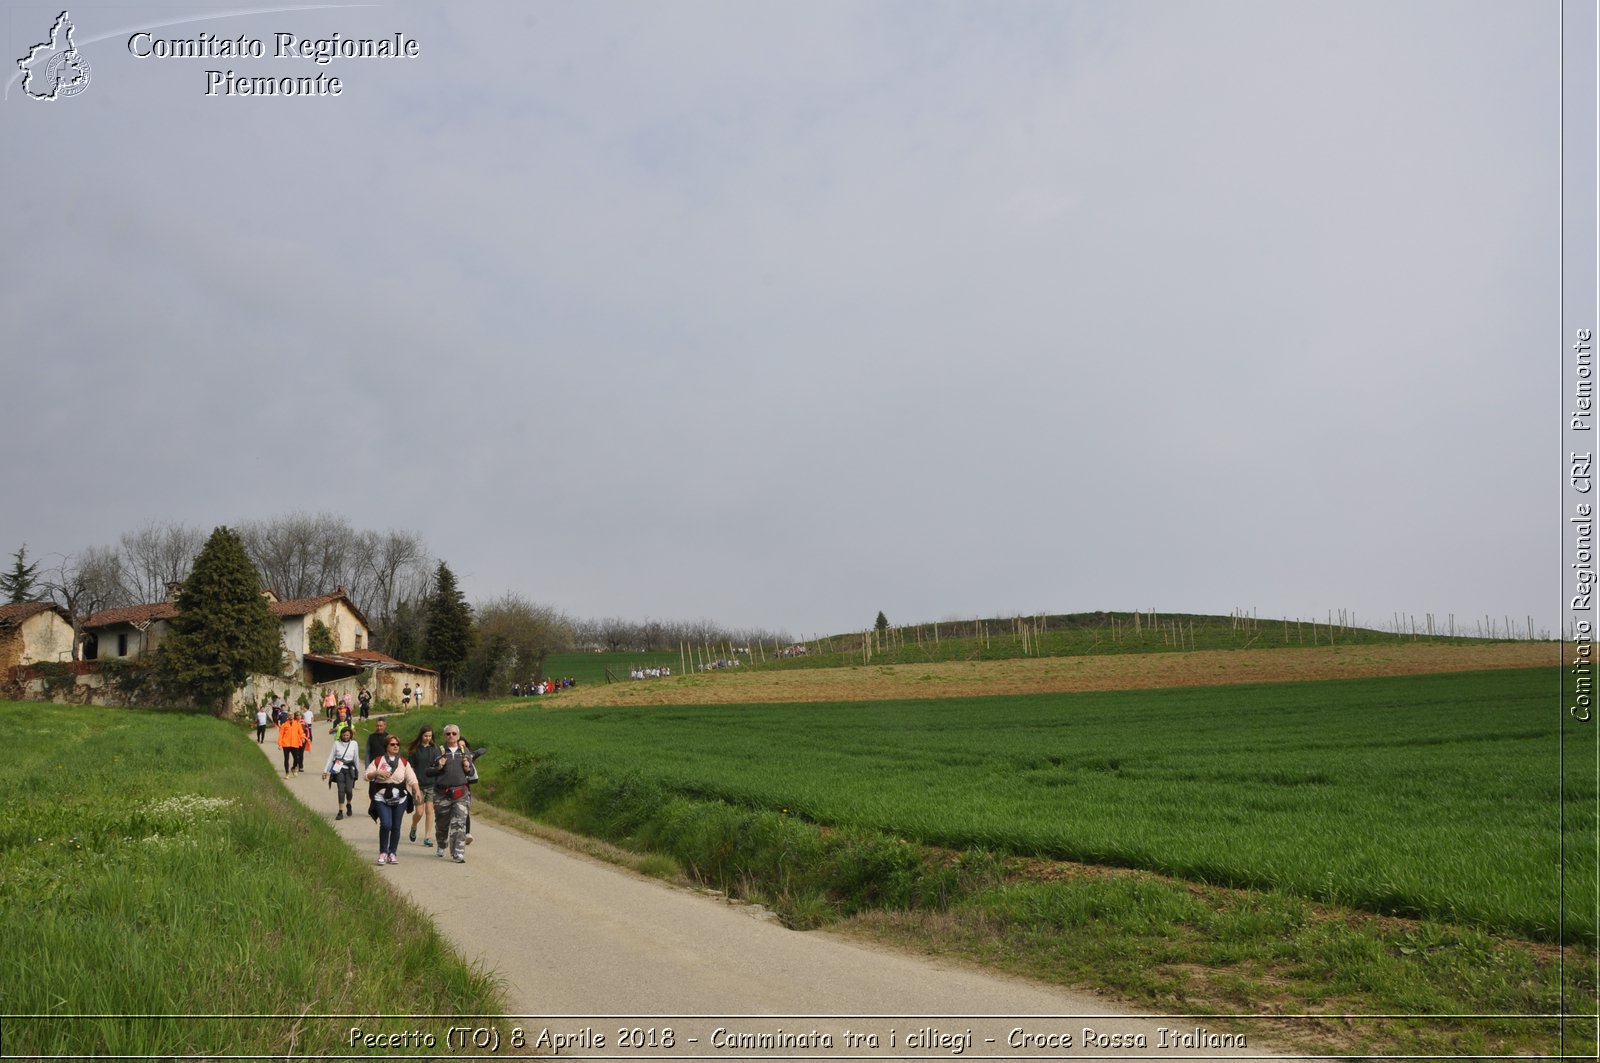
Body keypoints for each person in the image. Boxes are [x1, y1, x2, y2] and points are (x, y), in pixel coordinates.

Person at [364, 734, 421, 865]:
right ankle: (383, 852)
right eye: (392, 744)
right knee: (386, 824)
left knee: (396, 826)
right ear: (386, 746)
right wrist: (377, 773)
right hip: (381, 797)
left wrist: (417, 790)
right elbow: (366, 776)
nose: (395, 746)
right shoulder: (378, 761)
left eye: (397, 744)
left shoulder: (403, 762)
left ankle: (392, 853)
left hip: (400, 798)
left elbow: (412, 778)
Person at [430, 724, 475, 863]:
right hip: (442, 793)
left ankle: (458, 852)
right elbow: (428, 771)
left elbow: (471, 772)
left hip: (460, 793)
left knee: (459, 823)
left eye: (454, 734)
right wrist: (439, 767)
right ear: (444, 736)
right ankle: (442, 844)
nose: (451, 736)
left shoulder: (464, 751)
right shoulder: (438, 751)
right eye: (448, 734)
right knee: (442, 825)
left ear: (458, 735)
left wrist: (468, 768)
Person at [406, 724, 438, 846]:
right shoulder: (415, 750)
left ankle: (427, 837)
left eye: (430, 736)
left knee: (430, 810)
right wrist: (413, 784)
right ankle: (414, 826)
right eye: (425, 736)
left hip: (431, 784)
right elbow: (410, 768)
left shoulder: (435, 749)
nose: (428, 738)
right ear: (421, 735)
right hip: (418, 785)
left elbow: (438, 766)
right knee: (419, 812)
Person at [322, 726, 362, 820]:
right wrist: (325, 771)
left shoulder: (354, 744)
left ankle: (348, 803)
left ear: (350, 735)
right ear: (341, 735)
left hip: (350, 769)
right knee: (341, 790)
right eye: (344, 735)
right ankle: (340, 811)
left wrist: (357, 771)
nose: (346, 737)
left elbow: (356, 758)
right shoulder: (336, 743)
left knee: (349, 790)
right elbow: (330, 758)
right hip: (339, 769)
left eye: (347, 735)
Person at [277, 711, 307, 777]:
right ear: (288, 716)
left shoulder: (297, 724)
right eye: (289, 715)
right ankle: (287, 773)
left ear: (294, 716)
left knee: (296, 758)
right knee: (286, 759)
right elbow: (280, 735)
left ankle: (293, 768)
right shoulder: (284, 725)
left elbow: (301, 732)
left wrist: (303, 738)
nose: (291, 716)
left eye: (292, 715)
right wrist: (280, 744)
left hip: (295, 744)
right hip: (286, 744)